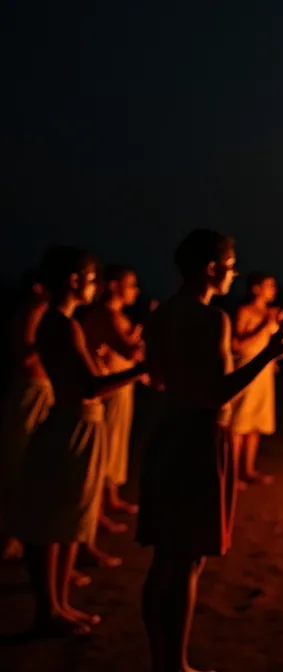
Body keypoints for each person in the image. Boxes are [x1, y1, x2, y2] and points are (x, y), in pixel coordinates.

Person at [138, 229, 283, 672]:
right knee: (187, 560)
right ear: (211, 268)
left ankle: (160, 661)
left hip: (166, 431)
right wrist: (268, 355)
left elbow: (156, 379)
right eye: (230, 266)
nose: (234, 274)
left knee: (164, 559)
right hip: (198, 439)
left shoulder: (162, 315)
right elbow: (216, 394)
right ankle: (178, 664)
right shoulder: (212, 320)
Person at [8, 246, 146, 635]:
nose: (95, 287)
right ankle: (47, 610)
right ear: (73, 281)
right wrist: (143, 369)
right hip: (71, 424)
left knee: (72, 517)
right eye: (90, 280)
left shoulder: (65, 322)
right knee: (53, 517)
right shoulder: (60, 323)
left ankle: (60, 606)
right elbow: (89, 387)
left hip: (81, 423)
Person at [81, 264, 144, 517]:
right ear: (114, 286)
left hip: (121, 389)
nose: (136, 291)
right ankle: (97, 512)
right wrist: (139, 334)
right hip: (109, 391)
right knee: (106, 448)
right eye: (131, 285)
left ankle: (110, 499)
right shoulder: (106, 316)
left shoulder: (117, 315)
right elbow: (131, 351)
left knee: (116, 445)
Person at [1, 271, 54, 561]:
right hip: (31, 391)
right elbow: (25, 355)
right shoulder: (35, 310)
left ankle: (14, 537)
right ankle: (10, 538)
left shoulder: (40, 311)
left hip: (38, 390)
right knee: (20, 464)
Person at [229, 272, 283, 486]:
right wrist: (265, 324)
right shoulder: (245, 311)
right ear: (256, 288)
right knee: (240, 422)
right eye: (269, 286)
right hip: (247, 369)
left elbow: (270, 345)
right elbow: (237, 345)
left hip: (264, 372)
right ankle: (232, 475)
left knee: (255, 423)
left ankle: (248, 470)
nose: (274, 290)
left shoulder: (269, 313)